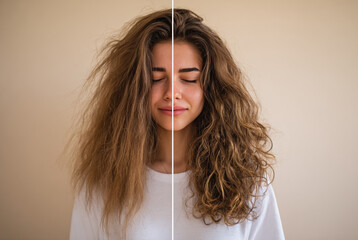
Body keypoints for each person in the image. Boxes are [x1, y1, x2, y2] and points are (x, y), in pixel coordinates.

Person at [69, 8, 285, 240]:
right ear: (134, 89)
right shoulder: (103, 182)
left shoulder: (247, 181)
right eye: (156, 79)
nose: (172, 93)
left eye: (189, 79)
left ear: (211, 87)